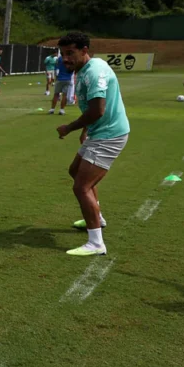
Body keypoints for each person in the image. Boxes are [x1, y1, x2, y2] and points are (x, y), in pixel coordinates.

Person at [56, 32, 130, 257]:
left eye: (71, 53)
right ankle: (98, 217)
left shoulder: (92, 72)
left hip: (109, 135)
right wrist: (87, 131)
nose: (65, 59)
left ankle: (96, 242)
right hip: (100, 131)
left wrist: (70, 128)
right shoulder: (87, 68)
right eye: (62, 54)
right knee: (75, 170)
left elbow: (98, 110)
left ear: (84, 50)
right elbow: (92, 108)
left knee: (81, 187)